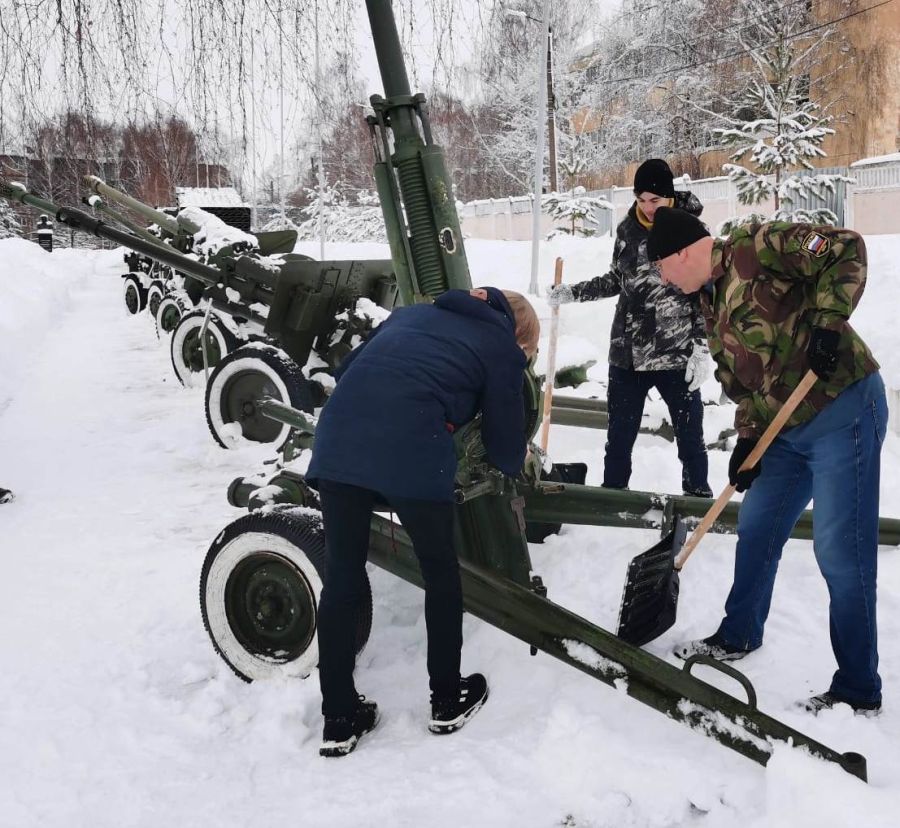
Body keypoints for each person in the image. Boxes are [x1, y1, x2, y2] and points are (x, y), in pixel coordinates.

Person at [648, 206, 886, 715]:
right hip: (784, 431)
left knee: (840, 551)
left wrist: (828, 324)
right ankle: (739, 633)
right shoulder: (709, 302)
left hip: (841, 409)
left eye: (662, 267)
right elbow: (745, 383)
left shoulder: (757, 246)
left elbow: (846, 248)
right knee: (756, 528)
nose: (664, 279)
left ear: (683, 252)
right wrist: (748, 439)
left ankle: (858, 688)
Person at [306, 286, 540, 756]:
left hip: (338, 445)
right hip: (411, 449)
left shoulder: (408, 315)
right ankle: (447, 700)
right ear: (518, 334)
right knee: (440, 574)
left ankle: (339, 718)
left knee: (341, 580)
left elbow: (347, 372)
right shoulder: (499, 345)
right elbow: (506, 452)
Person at [548, 159, 712, 498]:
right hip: (627, 354)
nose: (648, 207)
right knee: (619, 438)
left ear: (670, 197)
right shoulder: (627, 230)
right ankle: (613, 499)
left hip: (675, 353)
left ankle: (696, 501)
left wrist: (701, 346)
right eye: (641, 200)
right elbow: (617, 279)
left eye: (655, 200)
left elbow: (705, 292)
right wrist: (574, 293)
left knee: (690, 438)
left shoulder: (693, 229)